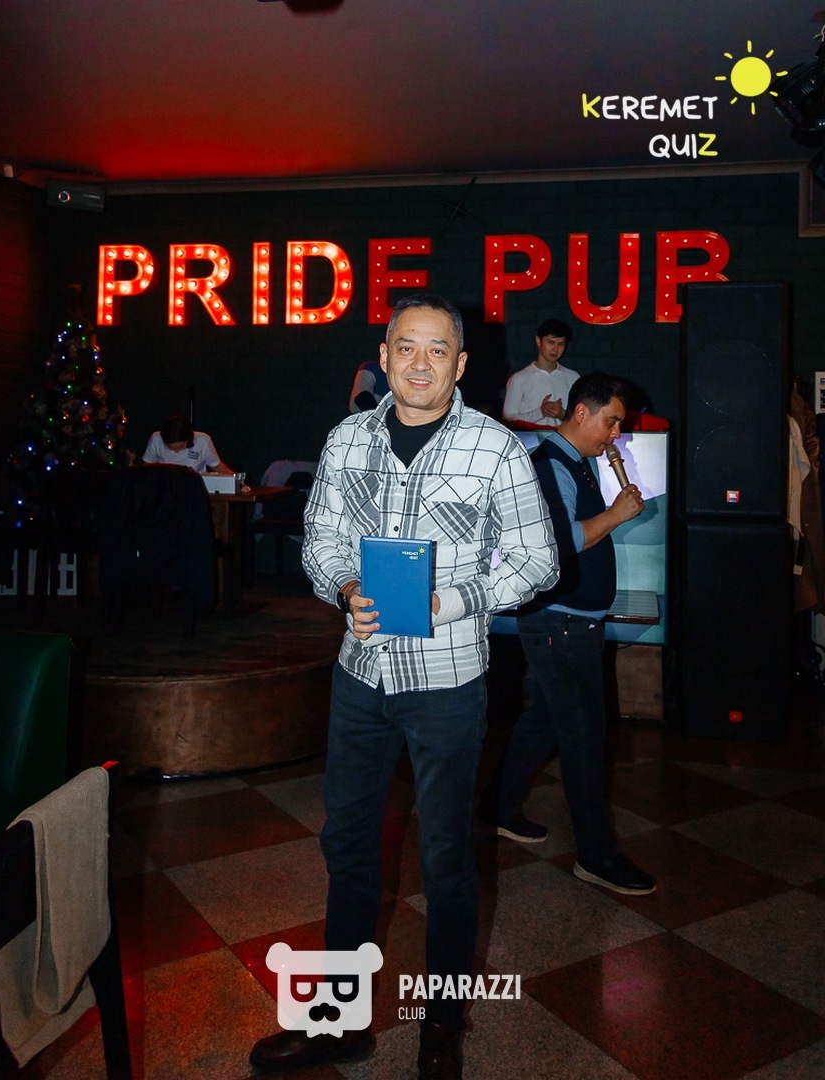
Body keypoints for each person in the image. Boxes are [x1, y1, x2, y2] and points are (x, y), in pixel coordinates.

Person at [249, 293, 558, 1079]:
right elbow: (321, 538)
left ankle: (442, 1026)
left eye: (438, 350)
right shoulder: (347, 438)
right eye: (406, 348)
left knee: (448, 856)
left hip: (448, 682)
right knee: (348, 844)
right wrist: (344, 585)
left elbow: (537, 562)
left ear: (460, 364)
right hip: (361, 676)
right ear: (383, 357)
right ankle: (339, 1023)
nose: (420, 364)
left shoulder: (495, 448)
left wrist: (446, 602)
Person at [480, 372, 657, 896]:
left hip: (571, 620)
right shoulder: (549, 464)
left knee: (544, 721)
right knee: (584, 735)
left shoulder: (576, 460)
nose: (617, 434)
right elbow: (558, 543)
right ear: (582, 413)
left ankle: (497, 808)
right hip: (560, 621)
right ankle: (596, 856)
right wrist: (617, 514)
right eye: (612, 422)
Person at [502, 318, 578, 427]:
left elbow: (580, 419)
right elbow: (508, 419)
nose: (555, 349)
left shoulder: (573, 378)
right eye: (551, 342)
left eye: (561, 344)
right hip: (529, 437)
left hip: (562, 437)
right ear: (538, 341)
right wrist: (540, 412)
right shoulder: (519, 379)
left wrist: (562, 415)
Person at [141, 415, 232, 474]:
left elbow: (216, 466)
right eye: (171, 448)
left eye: (181, 447)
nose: (176, 451)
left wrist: (236, 479)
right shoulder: (156, 438)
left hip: (193, 487)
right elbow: (148, 467)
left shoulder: (202, 440)